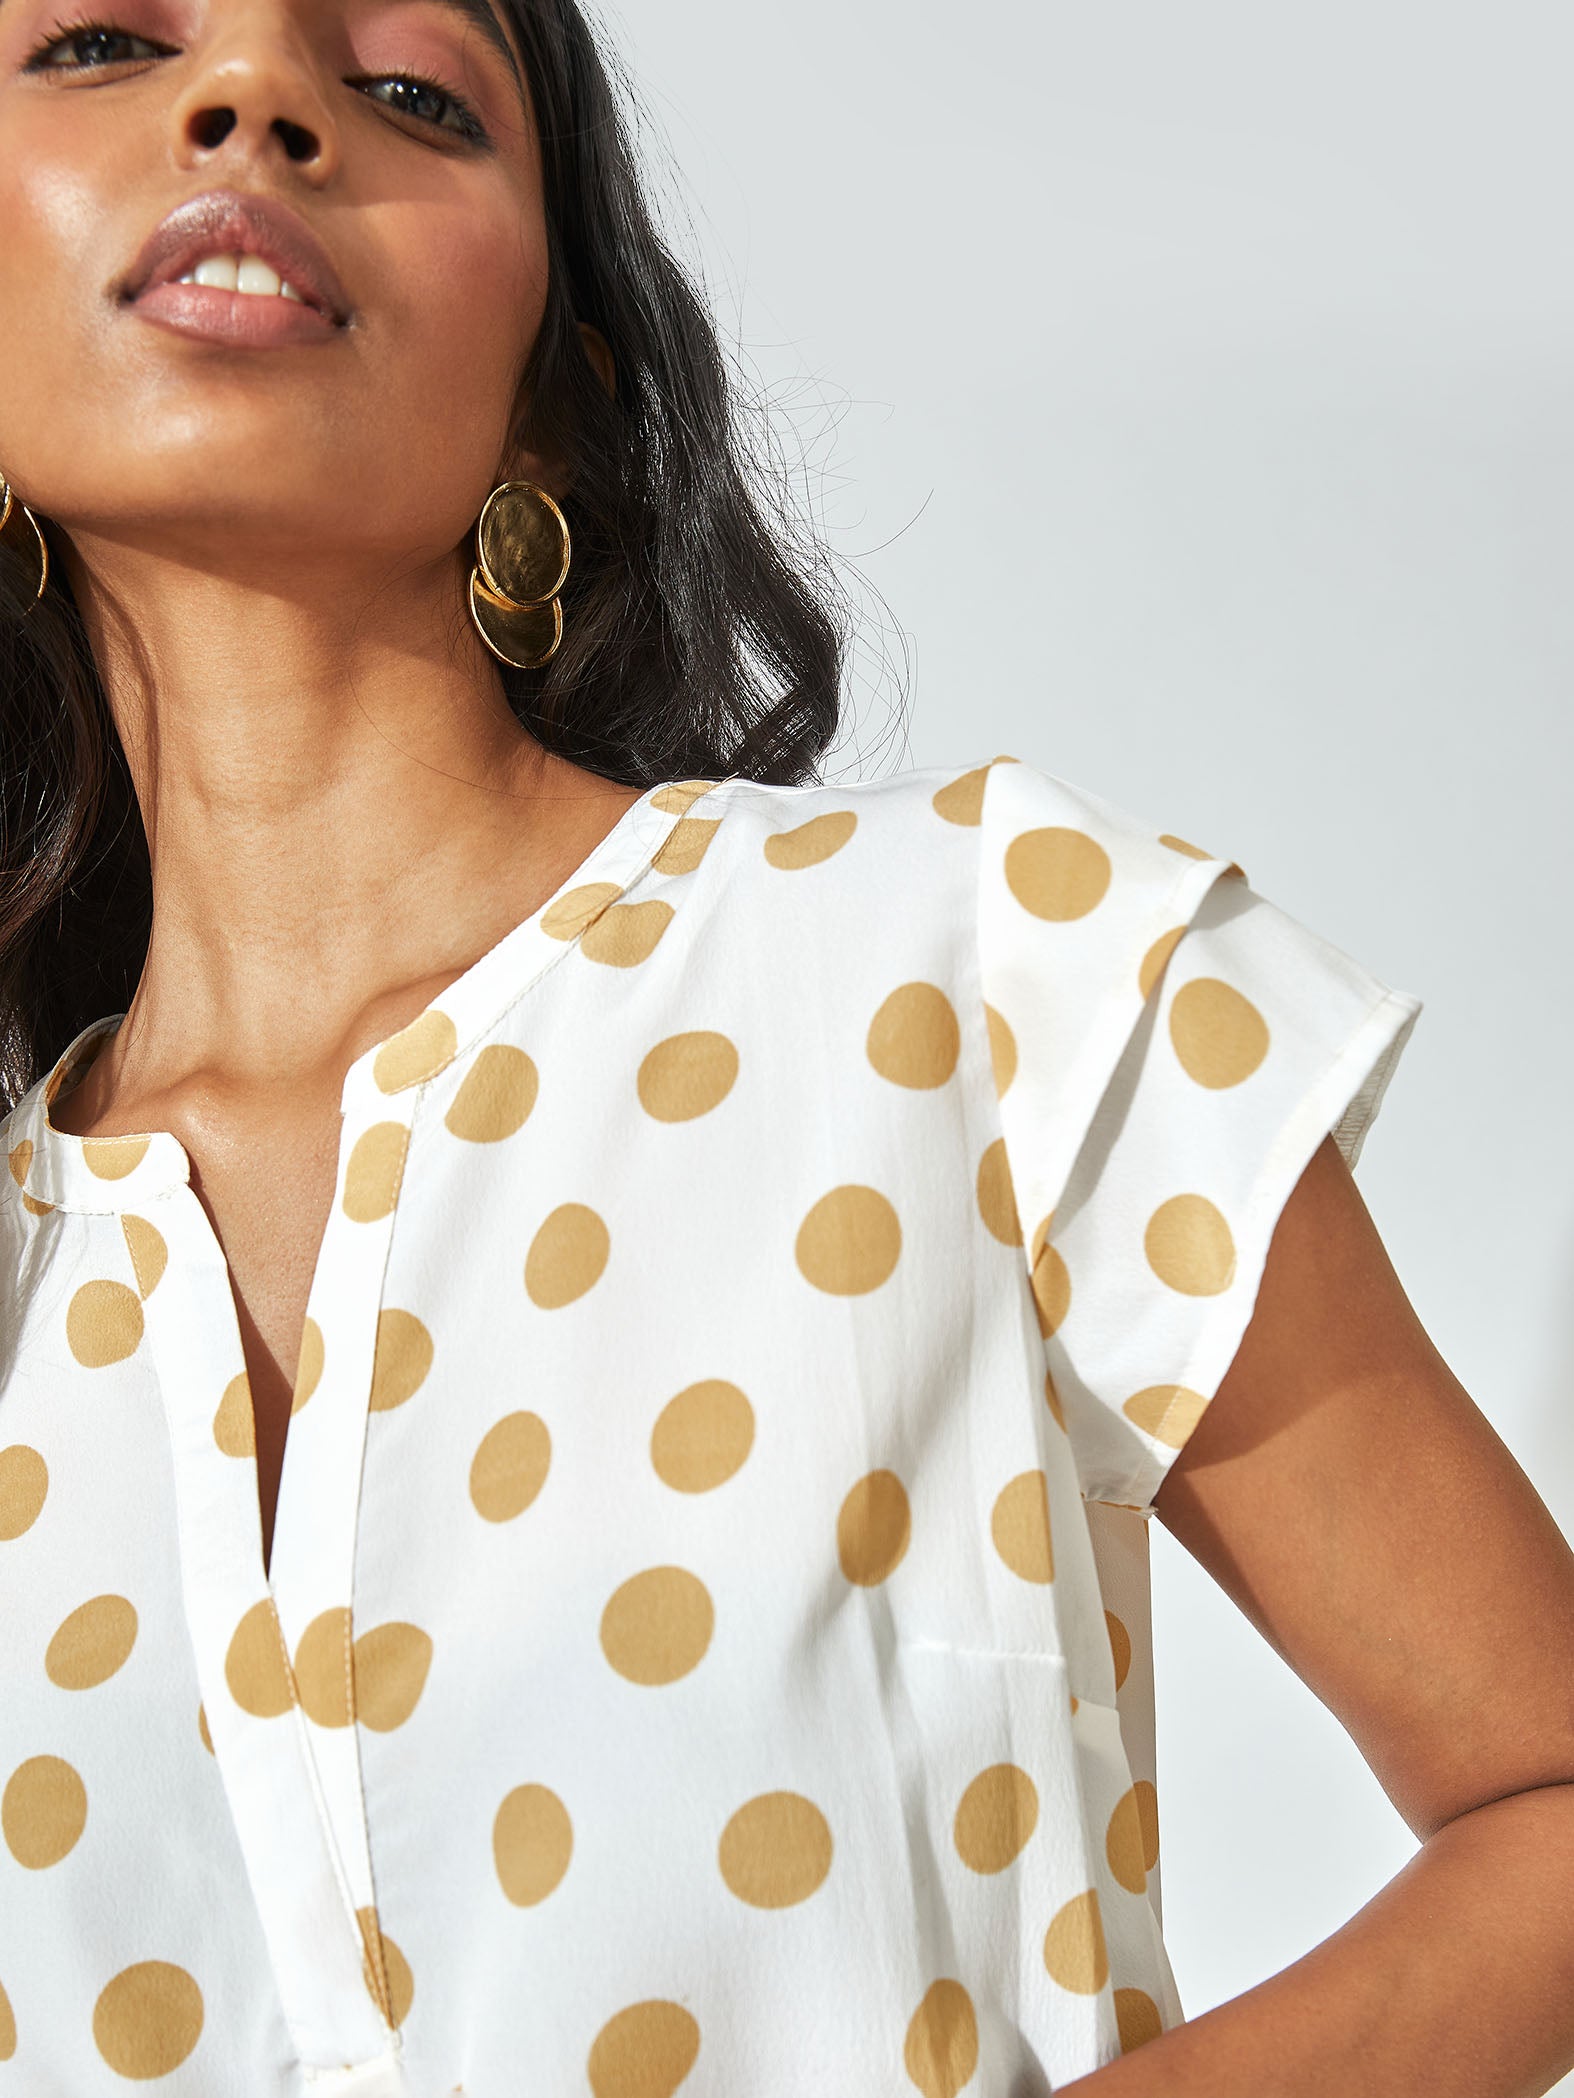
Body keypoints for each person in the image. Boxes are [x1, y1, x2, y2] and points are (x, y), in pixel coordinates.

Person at [0, 3, 1570, 2095]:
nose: (253, 97)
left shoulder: (985, 973)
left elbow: (1545, 1800)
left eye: (409, 93)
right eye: (102, 39)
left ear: (559, 401)